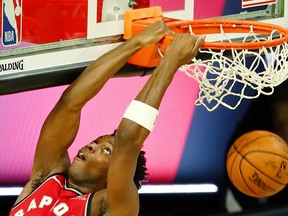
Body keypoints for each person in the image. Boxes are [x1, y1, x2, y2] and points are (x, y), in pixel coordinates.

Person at [9, 20, 205, 216]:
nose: (91, 146)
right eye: (96, 142)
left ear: (112, 176)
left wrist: (170, 61)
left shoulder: (111, 206)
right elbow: (69, 104)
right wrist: (135, 43)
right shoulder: (45, 176)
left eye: (107, 151)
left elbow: (127, 141)